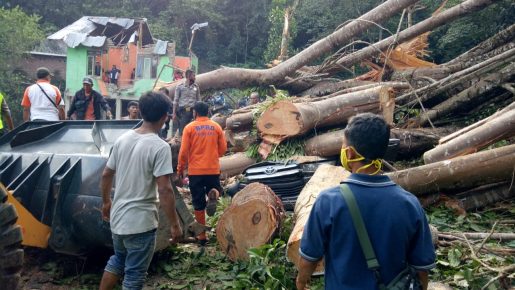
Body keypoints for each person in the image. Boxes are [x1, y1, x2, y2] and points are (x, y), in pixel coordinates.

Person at [296, 113, 435, 290]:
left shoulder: (328, 202)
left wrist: (301, 282)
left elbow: (309, 257)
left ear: (350, 153)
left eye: (343, 145)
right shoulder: (409, 203)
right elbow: (421, 269)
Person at [99, 91, 182, 290]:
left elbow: (106, 175)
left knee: (118, 260)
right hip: (140, 223)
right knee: (134, 275)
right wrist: (174, 224)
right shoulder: (160, 147)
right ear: (164, 117)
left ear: (141, 111)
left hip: (118, 219)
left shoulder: (123, 139)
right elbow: (165, 190)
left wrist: (106, 203)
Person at [177, 101, 226, 245]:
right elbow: (223, 149)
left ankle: (202, 236)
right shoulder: (216, 127)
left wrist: (180, 168)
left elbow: (184, 151)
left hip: (196, 171)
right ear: (208, 111)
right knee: (216, 188)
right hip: (212, 169)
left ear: (195, 113)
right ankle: (214, 193)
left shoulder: (189, 128)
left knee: (198, 203)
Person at [172, 69, 200, 137]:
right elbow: (175, 101)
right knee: (187, 114)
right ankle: (181, 135)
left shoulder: (196, 87)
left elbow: (198, 100)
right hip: (183, 109)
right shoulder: (180, 87)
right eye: (193, 76)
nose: (195, 77)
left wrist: (197, 111)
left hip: (193, 110)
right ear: (188, 76)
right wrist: (174, 113)